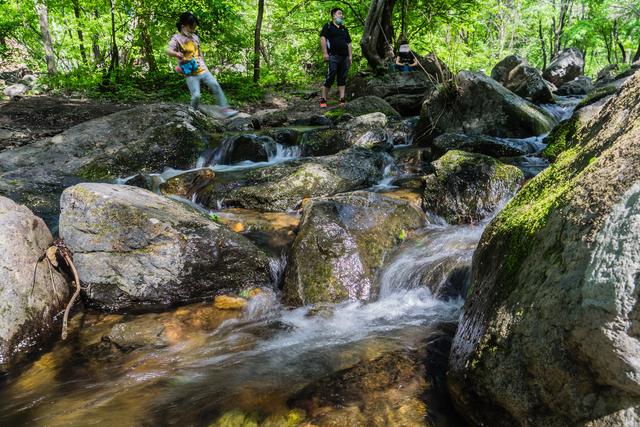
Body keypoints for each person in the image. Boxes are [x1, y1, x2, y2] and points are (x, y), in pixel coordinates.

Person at [167, 12, 237, 118]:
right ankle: (192, 114)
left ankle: (225, 110)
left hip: (203, 69)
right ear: (183, 26)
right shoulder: (176, 38)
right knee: (196, 96)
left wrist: (205, 65)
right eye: (191, 28)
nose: (193, 30)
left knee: (215, 86)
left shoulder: (195, 37)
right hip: (190, 73)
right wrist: (176, 53)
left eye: (194, 28)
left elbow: (199, 53)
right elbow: (168, 50)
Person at [319, 8, 352, 108]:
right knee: (331, 75)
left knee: (342, 77)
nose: (342, 16)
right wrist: (325, 53)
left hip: (344, 57)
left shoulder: (344, 28)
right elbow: (323, 38)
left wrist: (350, 56)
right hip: (333, 56)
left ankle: (342, 99)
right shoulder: (328, 26)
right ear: (334, 15)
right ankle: (323, 99)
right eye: (340, 13)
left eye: (342, 14)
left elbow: (349, 43)